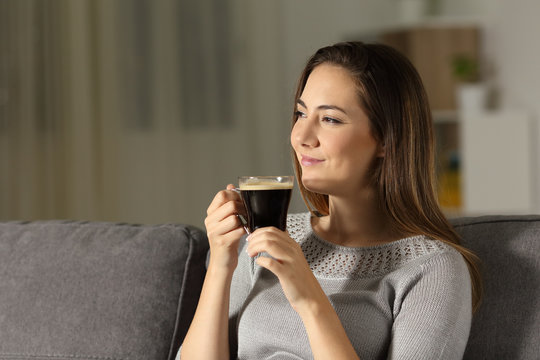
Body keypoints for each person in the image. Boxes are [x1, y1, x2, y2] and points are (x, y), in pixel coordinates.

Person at [179, 41, 482, 360]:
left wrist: (310, 301)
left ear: (386, 140)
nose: (301, 136)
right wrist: (222, 265)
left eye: (331, 119)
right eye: (301, 113)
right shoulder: (268, 237)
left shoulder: (432, 268)